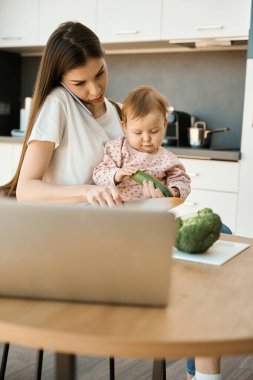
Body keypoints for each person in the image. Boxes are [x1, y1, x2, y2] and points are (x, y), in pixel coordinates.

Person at [0, 21, 222, 380]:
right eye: (79, 83)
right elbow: (27, 188)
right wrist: (87, 190)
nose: (94, 89)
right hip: (82, 239)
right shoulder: (58, 106)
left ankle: (204, 373)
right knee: (198, 268)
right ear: (60, 80)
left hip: (126, 227)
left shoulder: (121, 113)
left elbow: (148, 167)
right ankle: (202, 372)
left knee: (216, 239)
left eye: (99, 73)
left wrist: (163, 192)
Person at [93, 85, 190, 201]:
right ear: (125, 127)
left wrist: (174, 191)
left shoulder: (169, 159)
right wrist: (116, 175)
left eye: (154, 131)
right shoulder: (117, 149)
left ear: (164, 124)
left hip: (153, 212)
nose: (146, 138)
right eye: (138, 133)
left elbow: (182, 180)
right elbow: (99, 174)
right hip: (120, 210)